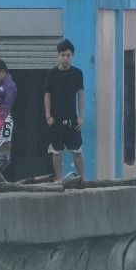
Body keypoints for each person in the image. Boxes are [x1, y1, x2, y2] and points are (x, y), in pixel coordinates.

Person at [44, 39, 86, 184]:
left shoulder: (77, 73)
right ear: (58, 56)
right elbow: (47, 95)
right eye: (62, 55)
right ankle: (59, 178)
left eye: (68, 55)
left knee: (77, 149)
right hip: (55, 118)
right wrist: (48, 115)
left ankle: (83, 179)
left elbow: (80, 95)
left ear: (72, 56)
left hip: (72, 118)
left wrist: (81, 117)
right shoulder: (51, 74)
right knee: (57, 150)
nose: (65, 58)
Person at [0, 59, 17, 178]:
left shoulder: (9, 87)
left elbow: (3, 113)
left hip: (2, 123)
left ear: (2, 72)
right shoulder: (0, 86)